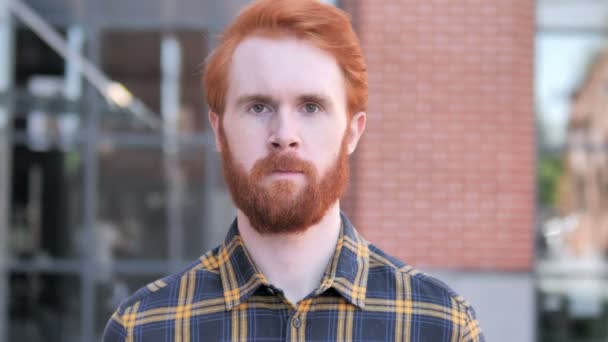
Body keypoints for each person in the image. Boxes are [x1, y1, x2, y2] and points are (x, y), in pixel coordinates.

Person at [102, 0, 485, 341]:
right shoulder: (145, 328)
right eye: (258, 107)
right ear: (219, 131)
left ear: (352, 131)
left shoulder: (441, 326)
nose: (284, 136)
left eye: (311, 107)